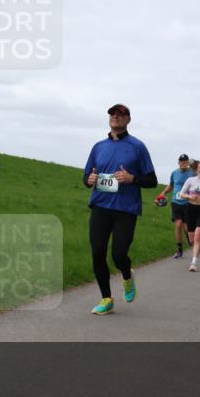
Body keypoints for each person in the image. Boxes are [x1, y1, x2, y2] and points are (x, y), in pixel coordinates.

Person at [83, 103, 157, 315]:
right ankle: (106, 298)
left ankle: (127, 275)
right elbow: (86, 177)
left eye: (120, 114)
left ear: (128, 120)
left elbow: (152, 180)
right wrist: (90, 179)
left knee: (118, 254)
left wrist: (132, 178)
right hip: (100, 206)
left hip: (126, 209)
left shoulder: (137, 147)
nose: (115, 117)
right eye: (112, 114)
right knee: (97, 252)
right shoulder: (98, 147)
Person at [157, 154, 195, 258]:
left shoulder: (192, 173)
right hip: (176, 202)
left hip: (188, 203)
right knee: (178, 225)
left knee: (187, 228)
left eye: (185, 161)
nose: (183, 163)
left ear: (188, 163)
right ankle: (179, 250)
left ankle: (190, 240)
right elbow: (171, 185)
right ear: (178, 163)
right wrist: (163, 193)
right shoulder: (174, 173)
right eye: (181, 161)